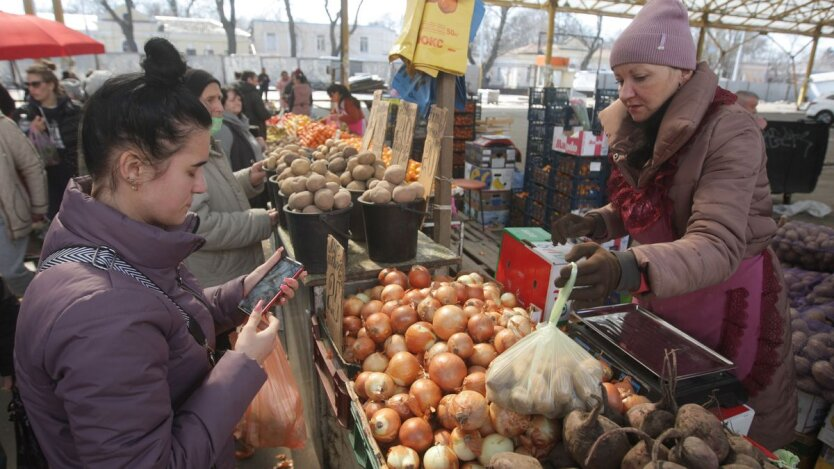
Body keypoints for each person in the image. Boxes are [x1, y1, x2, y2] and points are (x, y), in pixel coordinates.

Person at [13, 37, 302, 468]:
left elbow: (167, 314)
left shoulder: (117, 244)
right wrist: (241, 364)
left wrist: (241, 292)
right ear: (133, 168)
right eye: (191, 170)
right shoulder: (100, 315)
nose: (200, 186)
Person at [550, 0, 795, 450]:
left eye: (639, 77)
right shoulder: (644, 125)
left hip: (722, 301)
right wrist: (597, 221)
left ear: (682, 72)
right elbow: (649, 209)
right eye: (621, 79)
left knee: (719, 435)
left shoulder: (730, 131)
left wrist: (626, 267)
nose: (625, 92)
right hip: (660, 291)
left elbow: (716, 242)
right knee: (660, 421)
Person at [182, 68, 277, 288]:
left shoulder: (207, 142)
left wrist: (248, 178)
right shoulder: (183, 154)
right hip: (217, 282)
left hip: (233, 272)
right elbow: (199, 226)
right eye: (210, 100)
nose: (219, 107)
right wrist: (260, 221)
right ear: (187, 104)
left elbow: (214, 188)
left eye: (220, 99)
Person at [14, 64, 82, 219]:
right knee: (56, 219)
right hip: (47, 177)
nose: (31, 89)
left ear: (51, 85)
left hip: (74, 172)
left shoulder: (74, 110)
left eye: (36, 84)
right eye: (28, 85)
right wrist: (30, 131)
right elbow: (19, 151)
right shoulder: (25, 114)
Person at [0, 115, 47, 297]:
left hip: (7, 215)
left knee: (12, 272)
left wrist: (38, 207)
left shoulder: (4, 125)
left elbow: (32, 165)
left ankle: (50, 300)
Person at [216, 83, 269, 209]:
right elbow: (224, 167)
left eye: (239, 99)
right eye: (232, 100)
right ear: (222, 103)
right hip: (245, 193)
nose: (237, 102)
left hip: (253, 188)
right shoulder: (223, 128)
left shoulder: (240, 124)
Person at [238, 70, 271, 140]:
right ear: (249, 80)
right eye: (256, 80)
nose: (257, 82)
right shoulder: (253, 93)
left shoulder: (237, 92)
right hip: (257, 129)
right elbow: (263, 114)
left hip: (243, 129)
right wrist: (269, 112)